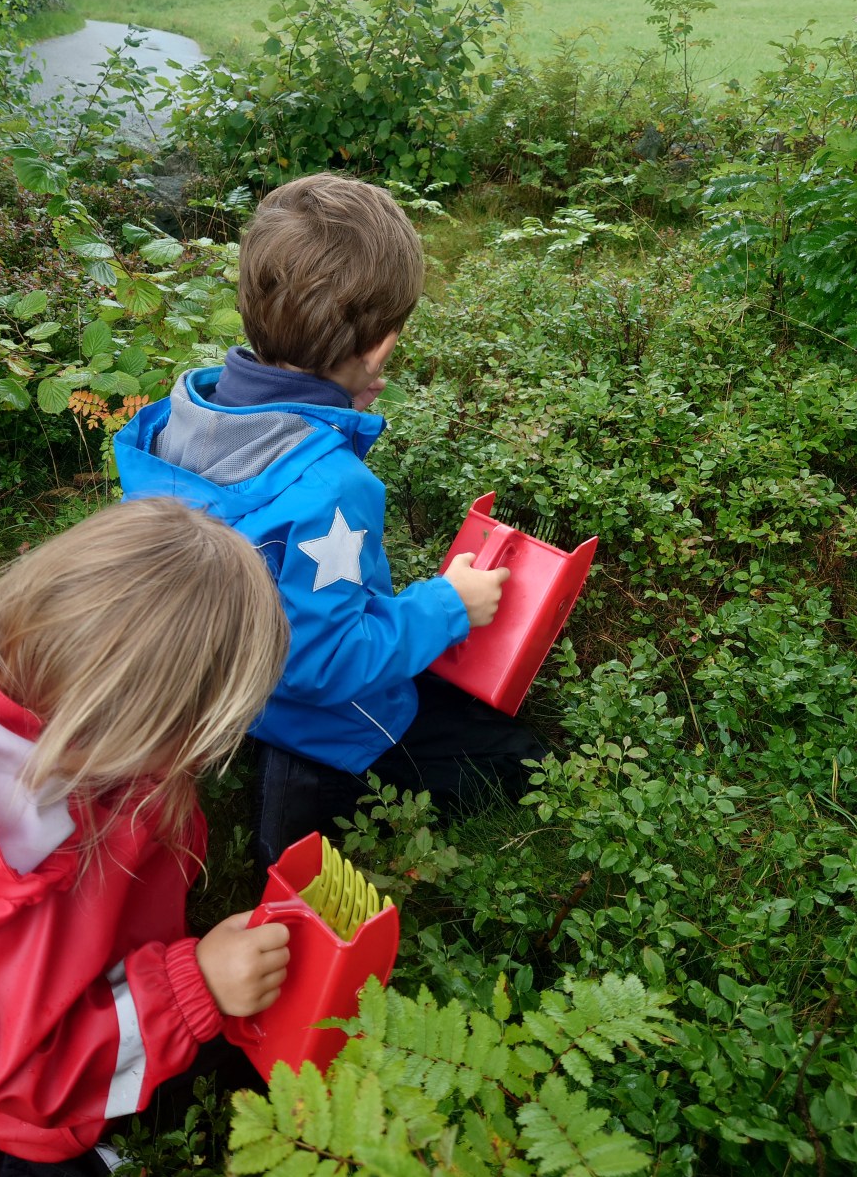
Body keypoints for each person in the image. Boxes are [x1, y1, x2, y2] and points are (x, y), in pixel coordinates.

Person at [0, 499, 291, 1177]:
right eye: (194, 743)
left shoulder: (22, 696)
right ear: (127, 725)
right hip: (19, 1099)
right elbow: (25, 1078)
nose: (198, 767)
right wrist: (190, 988)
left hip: (66, 994)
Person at [114, 173, 543, 869]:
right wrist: (447, 606)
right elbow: (326, 662)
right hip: (334, 718)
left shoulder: (182, 416)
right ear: (378, 347)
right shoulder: (331, 488)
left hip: (225, 687)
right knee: (523, 764)